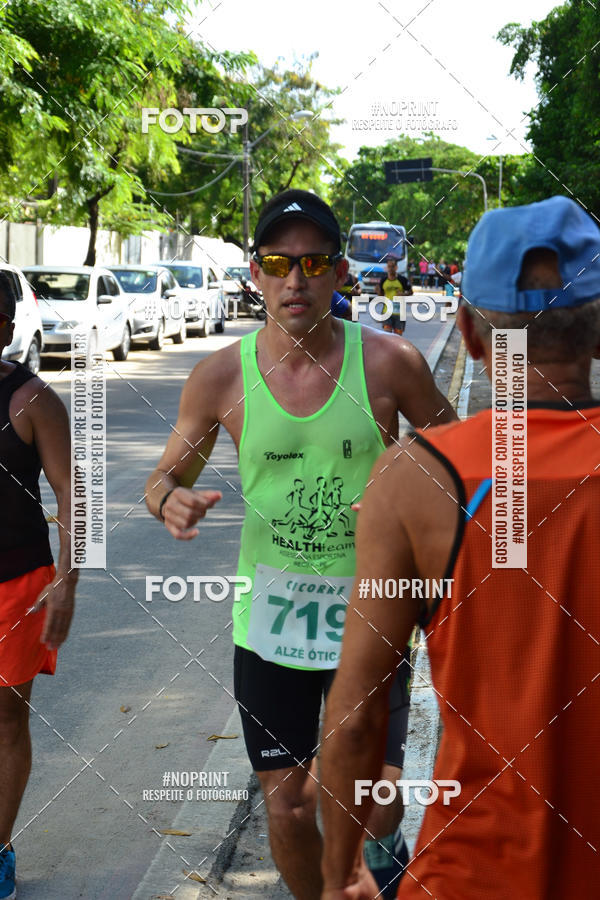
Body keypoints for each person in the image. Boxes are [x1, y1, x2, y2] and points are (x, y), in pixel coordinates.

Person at [146, 188, 456, 900]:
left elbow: (459, 464)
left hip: (373, 612)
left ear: (339, 272)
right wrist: (170, 500)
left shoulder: (391, 363)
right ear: (255, 273)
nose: (296, 280)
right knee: (287, 804)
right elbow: (163, 476)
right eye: (279, 263)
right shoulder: (221, 376)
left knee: (373, 796)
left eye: (313, 263)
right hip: (270, 621)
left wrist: (410, 500)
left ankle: (382, 858)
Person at [320, 195, 600, 899]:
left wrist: (341, 872)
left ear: (470, 335)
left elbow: (357, 715)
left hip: (471, 873)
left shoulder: (416, 479)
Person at [0, 272, 77, 900]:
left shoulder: (32, 400)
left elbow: (74, 495)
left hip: (17, 583)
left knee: (5, 720)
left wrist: (68, 582)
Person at [377, 257, 413, 336]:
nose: (390, 269)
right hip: (387, 312)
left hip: (399, 313)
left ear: (396, 267)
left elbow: (411, 292)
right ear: (387, 267)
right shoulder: (383, 280)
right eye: (389, 266)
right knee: (387, 336)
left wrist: (403, 294)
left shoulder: (402, 280)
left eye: (392, 266)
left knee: (397, 338)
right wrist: (378, 291)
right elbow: (381, 296)